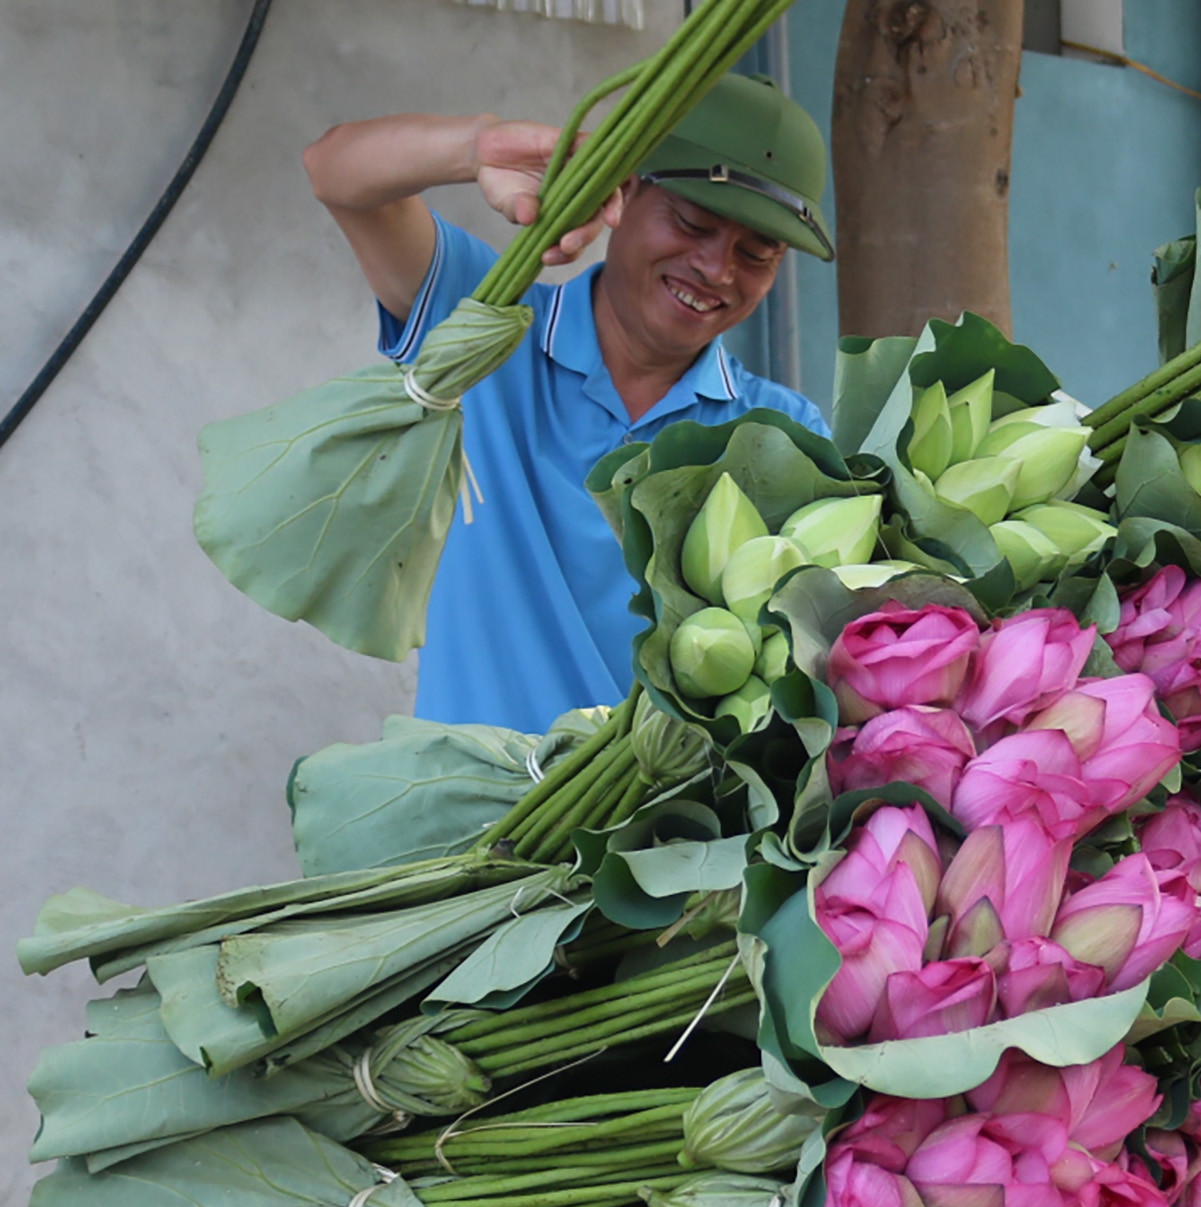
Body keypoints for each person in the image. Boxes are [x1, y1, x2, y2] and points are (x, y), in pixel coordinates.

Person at [302, 74, 834, 734]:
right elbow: (333, 172)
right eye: (693, 222)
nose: (718, 269)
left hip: (676, 832)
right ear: (627, 187)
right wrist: (477, 147)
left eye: (758, 252)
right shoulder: (483, 328)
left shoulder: (782, 434)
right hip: (471, 822)